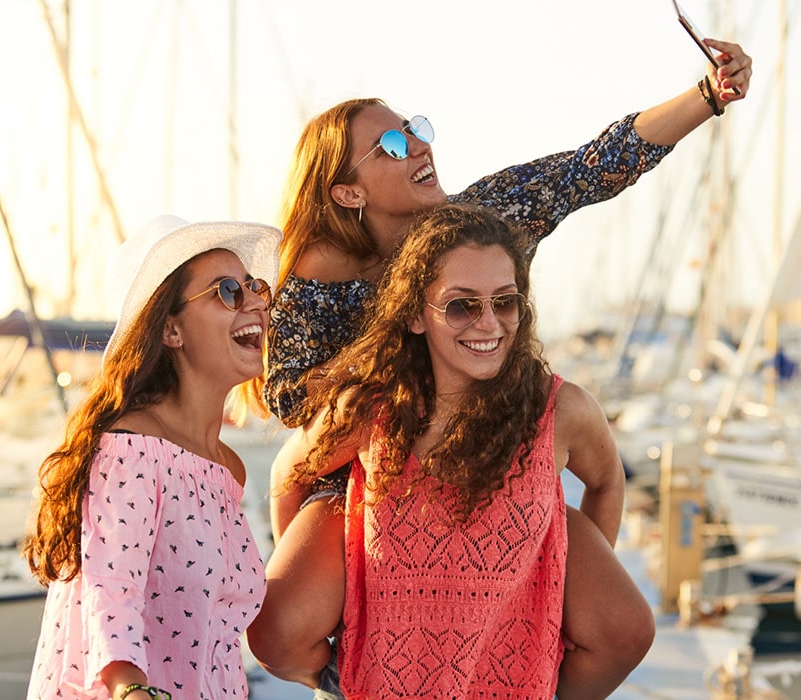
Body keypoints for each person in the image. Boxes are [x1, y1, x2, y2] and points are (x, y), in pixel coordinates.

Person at [246, 36, 752, 699]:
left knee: (623, 625)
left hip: (494, 458)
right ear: (346, 192)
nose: (420, 146)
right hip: (370, 480)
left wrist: (709, 95)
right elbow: (290, 409)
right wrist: (384, 367)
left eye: (416, 131)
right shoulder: (314, 284)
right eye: (393, 147)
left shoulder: (483, 220)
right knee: (279, 630)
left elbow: (590, 167)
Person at [259, 203, 630, 697]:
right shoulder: (372, 407)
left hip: (512, 673)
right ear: (415, 314)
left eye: (505, 301)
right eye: (462, 305)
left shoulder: (560, 411)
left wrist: (567, 576)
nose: (489, 323)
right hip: (380, 674)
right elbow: (289, 475)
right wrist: (319, 557)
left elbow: (606, 480)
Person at [23, 215, 281, 700]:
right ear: (171, 331)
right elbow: (111, 592)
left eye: (254, 287)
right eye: (227, 290)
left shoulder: (227, 469)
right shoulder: (129, 450)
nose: (253, 303)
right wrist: (129, 690)